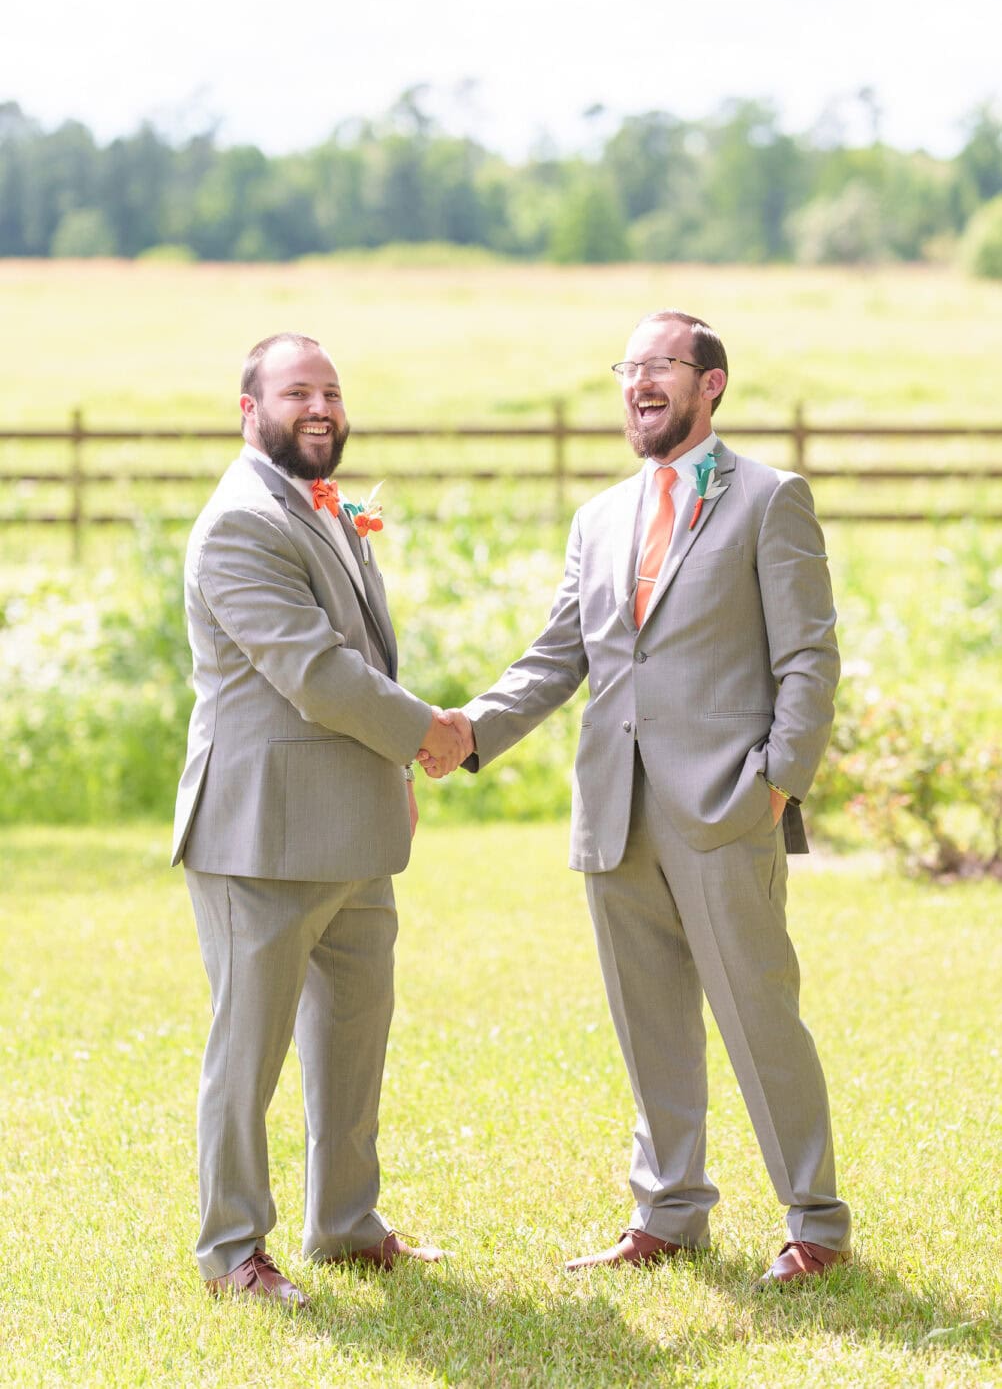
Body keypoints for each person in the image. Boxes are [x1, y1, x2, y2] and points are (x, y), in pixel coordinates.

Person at [424, 309, 851, 1286]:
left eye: (662, 366)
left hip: (728, 809)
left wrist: (777, 784)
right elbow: (559, 655)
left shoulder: (770, 500)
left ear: (712, 385)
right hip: (615, 813)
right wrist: (468, 729)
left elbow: (810, 660)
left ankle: (816, 1226)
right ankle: (668, 1213)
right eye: (629, 368)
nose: (640, 383)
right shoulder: (600, 519)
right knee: (648, 1020)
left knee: (760, 1016)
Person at [172, 331, 467, 1307]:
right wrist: (428, 733)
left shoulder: (326, 506)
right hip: (261, 830)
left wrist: (400, 770)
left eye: (332, 391)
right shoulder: (239, 525)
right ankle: (231, 1252)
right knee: (246, 1053)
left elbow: (361, 661)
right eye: (297, 391)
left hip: (353, 824)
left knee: (353, 1034)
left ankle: (346, 1224)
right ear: (248, 410)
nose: (321, 407)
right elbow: (313, 671)